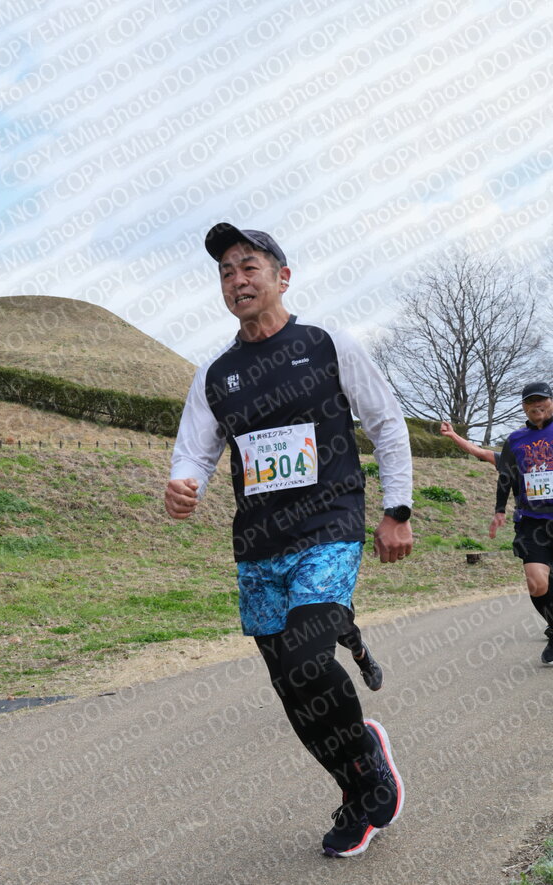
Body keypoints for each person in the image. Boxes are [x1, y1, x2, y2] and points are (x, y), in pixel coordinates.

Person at [165, 223, 413, 857]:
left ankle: (368, 772)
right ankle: (355, 785)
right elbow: (194, 450)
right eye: (226, 272)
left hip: (329, 526)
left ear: (282, 276)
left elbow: (387, 423)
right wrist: (183, 484)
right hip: (259, 544)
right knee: (292, 687)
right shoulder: (216, 374)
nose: (237, 280)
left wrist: (397, 510)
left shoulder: (327, 344)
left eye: (249, 266)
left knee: (306, 660)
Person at [489, 382, 553, 665]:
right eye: (530, 401)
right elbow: (505, 476)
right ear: (524, 407)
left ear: (551, 401)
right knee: (537, 583)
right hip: (532, 522)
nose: (536, 405)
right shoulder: (515, 440)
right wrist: (499, 510)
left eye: (542, 400)